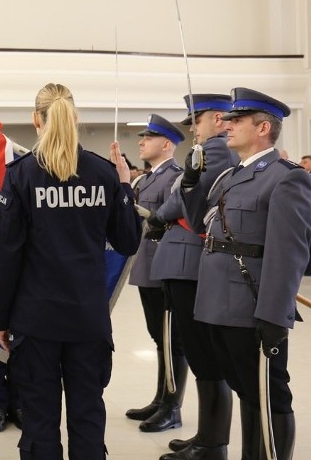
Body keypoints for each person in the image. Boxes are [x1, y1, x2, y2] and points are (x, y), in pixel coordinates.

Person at [0, 83, 141, 459]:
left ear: (35, 120)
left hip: (35, 318)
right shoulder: (103, 173)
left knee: (40, 422)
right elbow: (127, 243)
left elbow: (8, 254)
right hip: (87, 317)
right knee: (88, 416)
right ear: (75, 117)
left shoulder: (21, 175)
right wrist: (125, 188)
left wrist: (4, 317)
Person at [181, 88, 311, 460]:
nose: (228, 124)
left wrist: (274, 313)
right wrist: (191, 182)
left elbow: (288, 253)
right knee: (245, 391)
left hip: (251, 305)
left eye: (238, 120)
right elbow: (199, 225)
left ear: (263, 128)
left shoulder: (284, 178)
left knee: (268, 396)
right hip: (218, 303)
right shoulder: (228, 176)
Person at [148, 95, 238, 460]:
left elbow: (180, 201)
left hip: (189, 261)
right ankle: (206, 436)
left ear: (218, 119)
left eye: (196, 119)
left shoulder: (214, 151)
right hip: (182, 260)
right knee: (200, 354)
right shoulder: (208, 148)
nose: (191, 127)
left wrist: (161, 215)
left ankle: (212, 444)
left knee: (204, 355)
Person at [125, 113, 188, 433]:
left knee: (172, 340)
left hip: (164, 268)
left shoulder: (175, 177)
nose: (141, 142)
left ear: (166, 144)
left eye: (147, 138)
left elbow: (175, 222)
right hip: (146, 267)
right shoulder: (147, 178)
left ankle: (172, 406)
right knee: (158, 338)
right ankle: (161, 398)